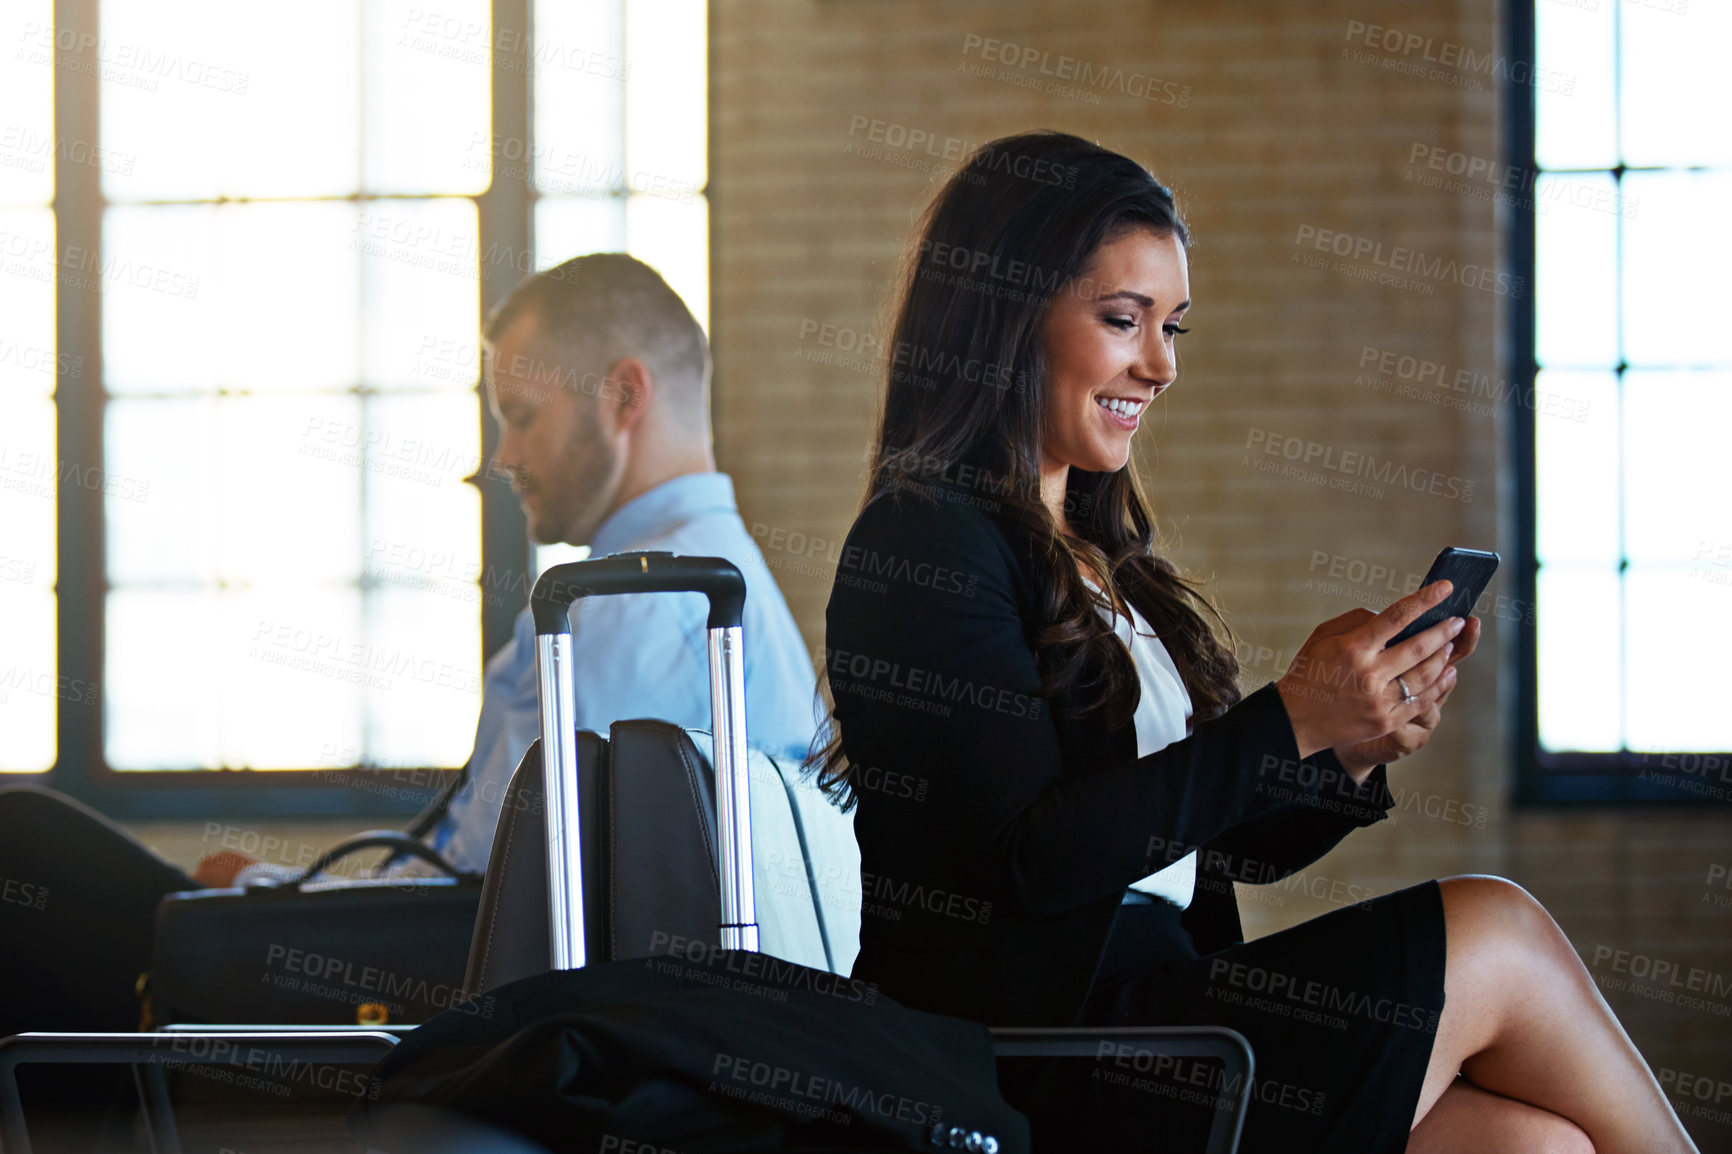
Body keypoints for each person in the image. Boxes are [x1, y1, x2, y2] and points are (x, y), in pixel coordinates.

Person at [811, 131, 1696, 1153]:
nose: (1159, 363)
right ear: (1006, 316)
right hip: (1041, 1055)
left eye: (1172, 326)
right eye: (1121, 319)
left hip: (1159, 1020)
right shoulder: (923, 538)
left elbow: (1200, 841)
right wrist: (1292, 718)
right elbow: (1028, 860)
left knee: (1533, 1146)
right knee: (1492, 929)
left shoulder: (1102, 557)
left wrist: (1343, 744)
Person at [0, 253, 818, 1037]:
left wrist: (269, 895)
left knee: (26, 848)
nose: (503, 457)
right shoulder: (706, 587)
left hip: (441, 1004)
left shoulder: (632, 606)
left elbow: (502, 906)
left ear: (623, 395)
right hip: (453, 970)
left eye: (522, 418)